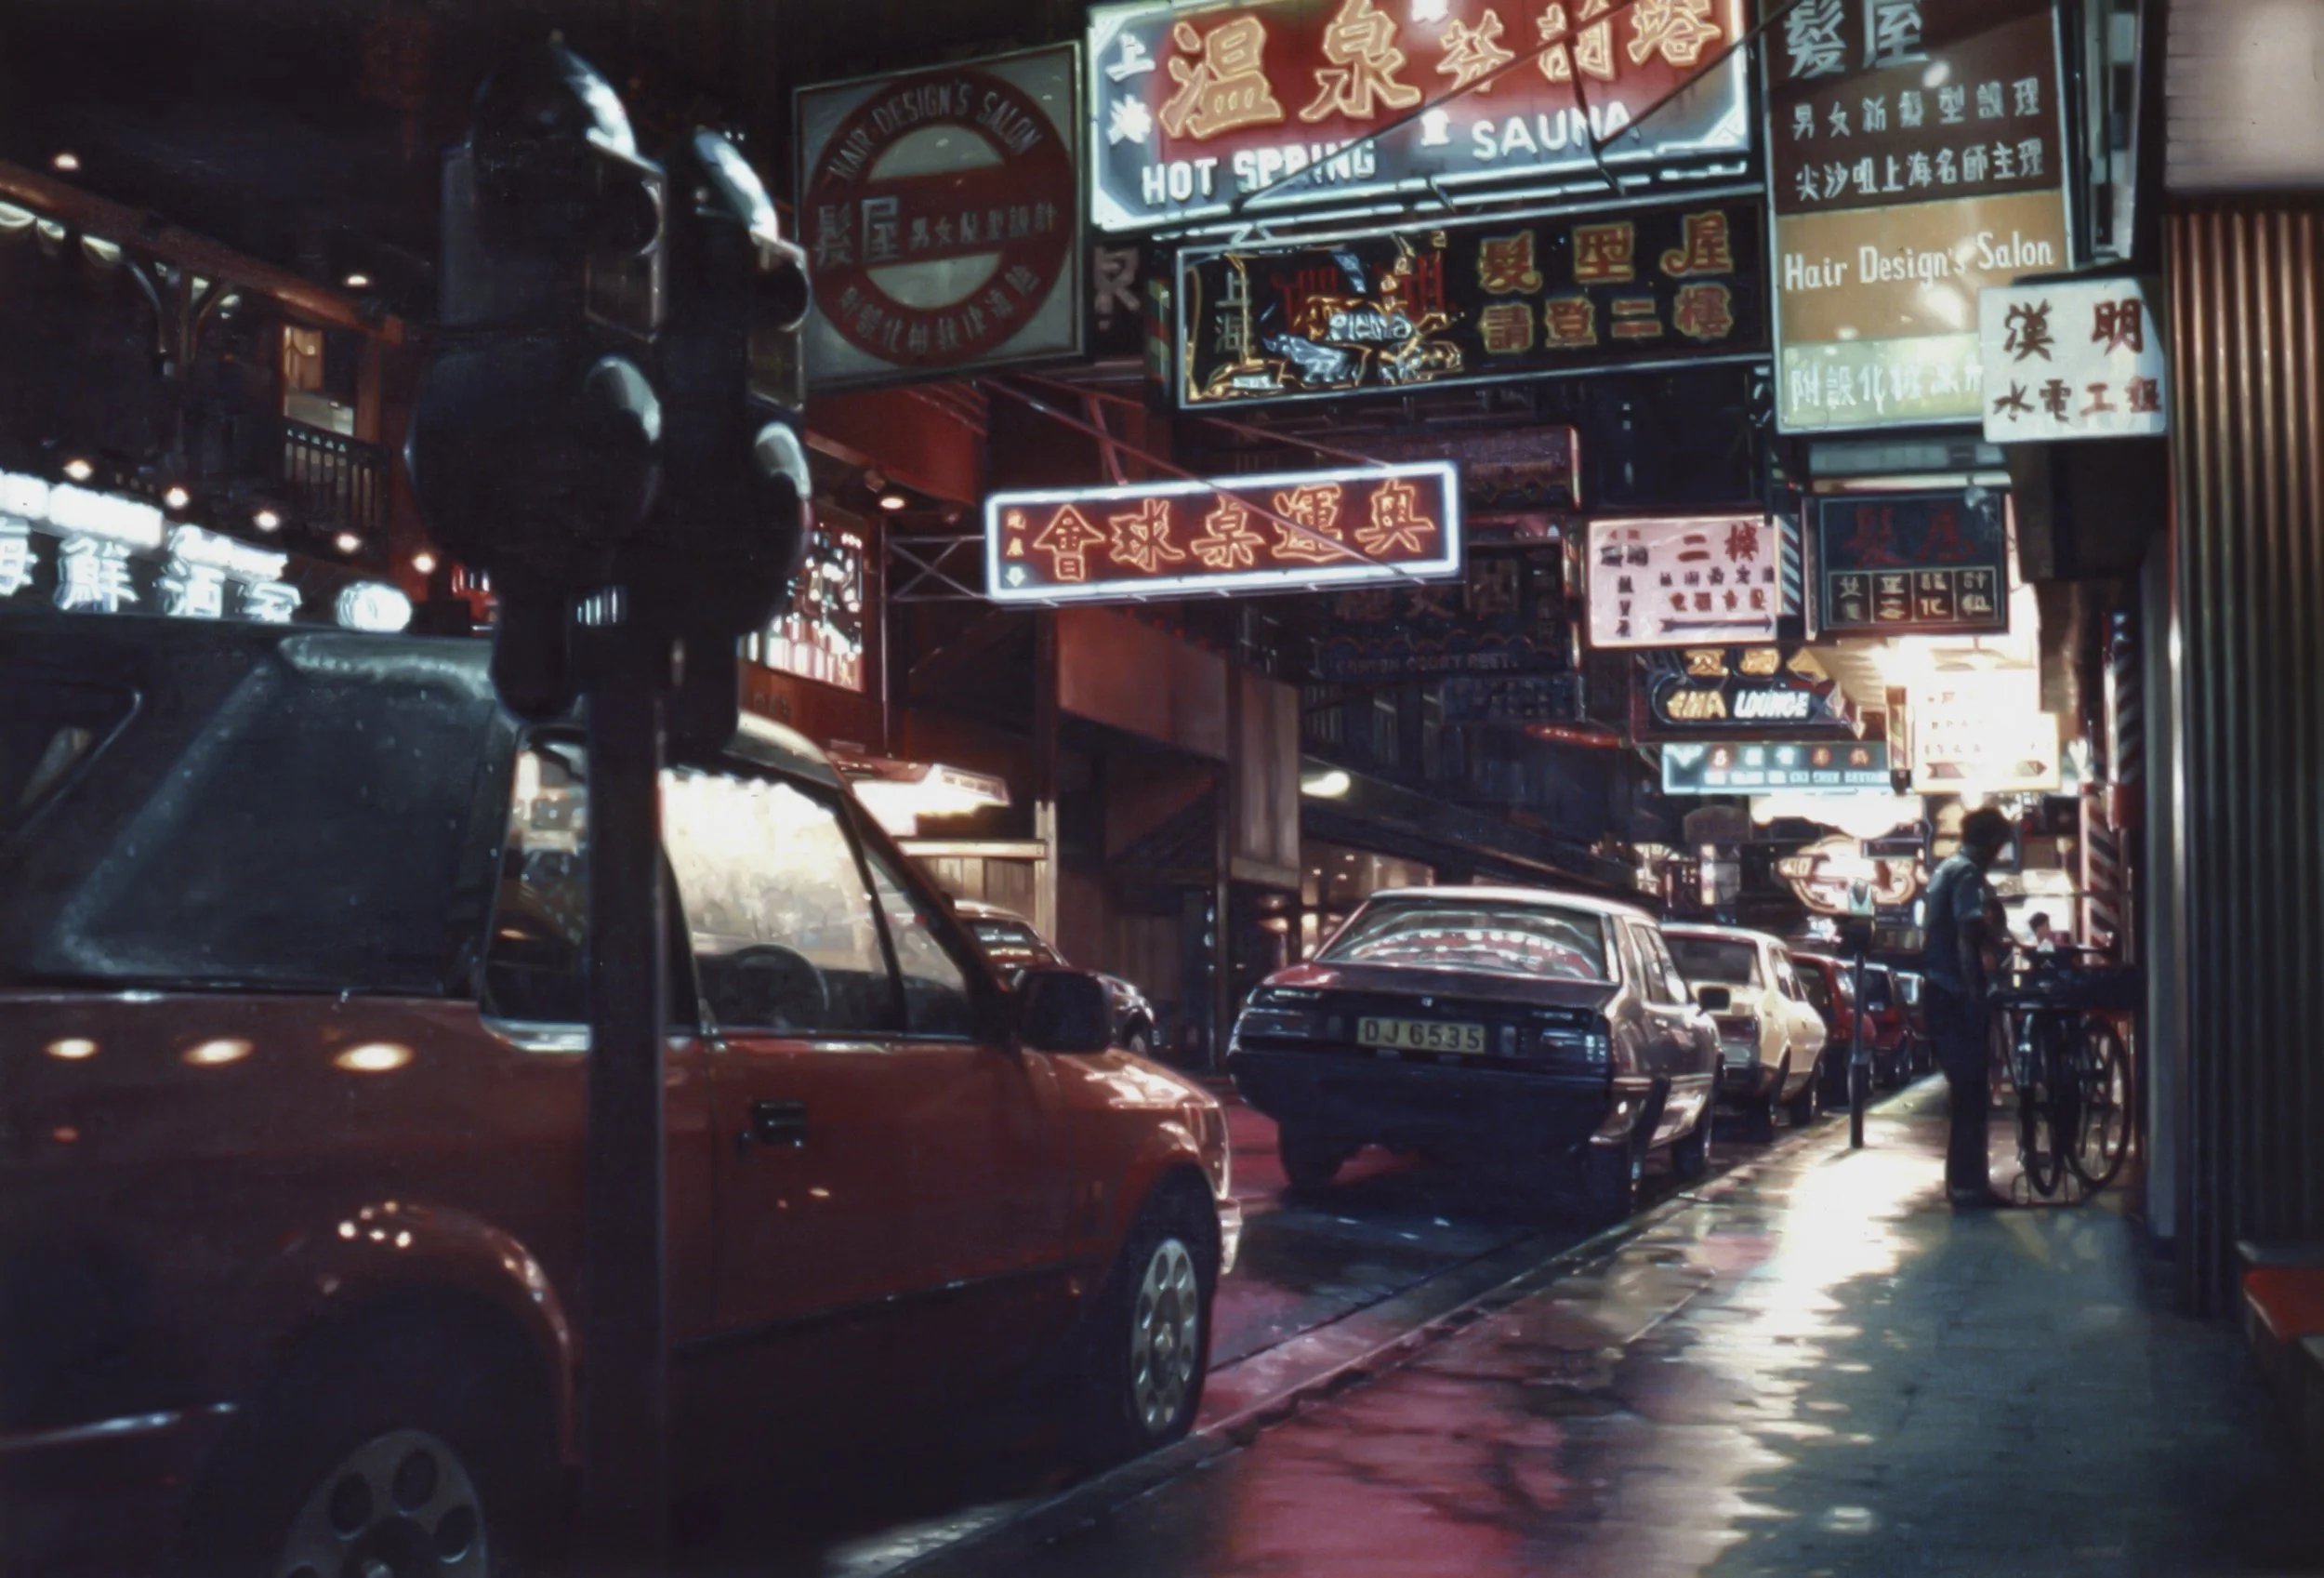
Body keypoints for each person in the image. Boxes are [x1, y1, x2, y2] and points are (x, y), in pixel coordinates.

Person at [1923, 807, 2014, 1210]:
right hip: (1954, 995)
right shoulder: (1966, 874)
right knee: (1972, 1092)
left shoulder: (1948, 868)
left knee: (1967, 1093)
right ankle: (1969, 1188)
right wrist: (1997, 942)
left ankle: (1964, 1184)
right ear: (1992, 842)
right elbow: (1970, 925)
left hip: (1940, 992)